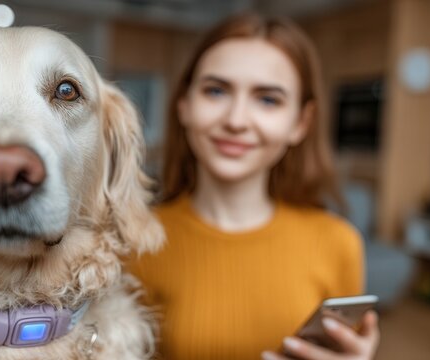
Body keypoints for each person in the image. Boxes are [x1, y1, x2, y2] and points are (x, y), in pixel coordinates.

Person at [129, 13, 380, 360]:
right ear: (184, 105)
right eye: (216, 91)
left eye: (268, 99)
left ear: (300, 122)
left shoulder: (339, 243)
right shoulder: (134, 243)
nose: (236, 120)